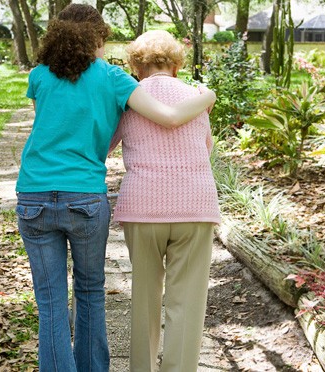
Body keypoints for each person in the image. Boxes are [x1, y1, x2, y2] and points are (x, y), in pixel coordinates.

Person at [15, 5, 215, 372]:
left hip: (34, 195)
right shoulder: (113, 79)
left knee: (50, 301)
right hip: (86, 198)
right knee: (90, 292)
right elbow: (175, 123)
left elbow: (56, 127)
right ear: (97, 39)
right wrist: (207, 97)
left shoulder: (38, 76)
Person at [108, 30, 221, 372]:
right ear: (176, 64)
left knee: (144, 296)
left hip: (143, 208)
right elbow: (206, 149)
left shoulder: (129, 98)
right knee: (186, 301)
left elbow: (105, 146)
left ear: (136, 65)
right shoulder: (197, 97)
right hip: (195, 206)